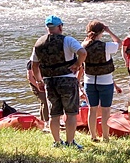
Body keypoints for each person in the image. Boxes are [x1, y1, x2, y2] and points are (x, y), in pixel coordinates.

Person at [30, 17, 86, 148]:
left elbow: (34, 66)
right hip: (67, 79)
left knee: (54, 114)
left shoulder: (39, 43)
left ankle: (57, 142)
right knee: (71, 113)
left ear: (47, 28)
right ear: (60, 27)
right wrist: (77, 64)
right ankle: (70, 142)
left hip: (49, 81)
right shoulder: (68, 40)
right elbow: (83, 52)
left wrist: (39, 81)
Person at [82, 21, 121, 143]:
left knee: (92, 109)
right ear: (102, 32)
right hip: (105, 81)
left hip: (89, 81)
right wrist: (109, 31)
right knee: (105, 110)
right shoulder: (107, 46)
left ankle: (93, 136)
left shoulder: (83, 46)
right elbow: (119, 43)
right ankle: (105, 137)